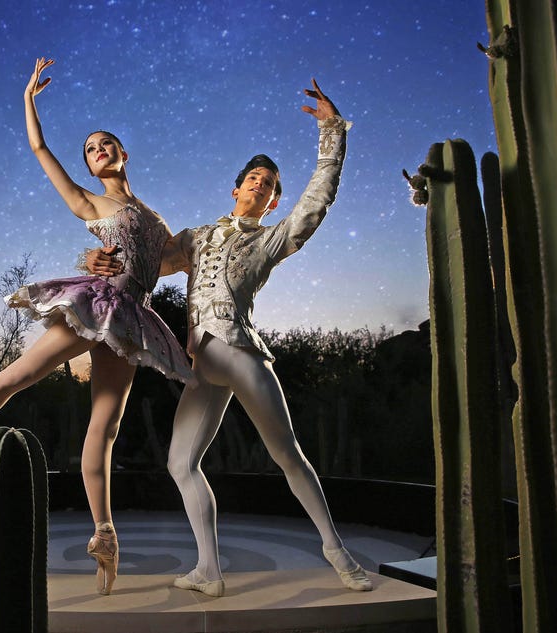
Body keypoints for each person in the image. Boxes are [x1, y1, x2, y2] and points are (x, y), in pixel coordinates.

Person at [0, 57, 193, 596]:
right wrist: (28, 100)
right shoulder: (90, 200)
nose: (99, 152)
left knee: (107, 424)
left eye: (106, 144)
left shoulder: (155, 217)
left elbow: (172, 261)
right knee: (19, 375)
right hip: (97, 303)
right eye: (91, 150)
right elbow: (40, 153)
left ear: (123, 153)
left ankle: (105, 533)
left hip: (130, 321)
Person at [85, 79, 371, 597]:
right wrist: (95, 260)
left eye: (269, 184)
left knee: (287, 454)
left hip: (238, 352)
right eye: (253, 179)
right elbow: (144, 258)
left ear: (273, 199)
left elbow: (317, 200)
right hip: (199, 362)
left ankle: (338, 553)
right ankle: (209, 571)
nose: (260, 186)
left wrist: (332, 132)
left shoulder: (272, 239)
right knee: (180, 463)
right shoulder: (197, 237)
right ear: (236, 188)